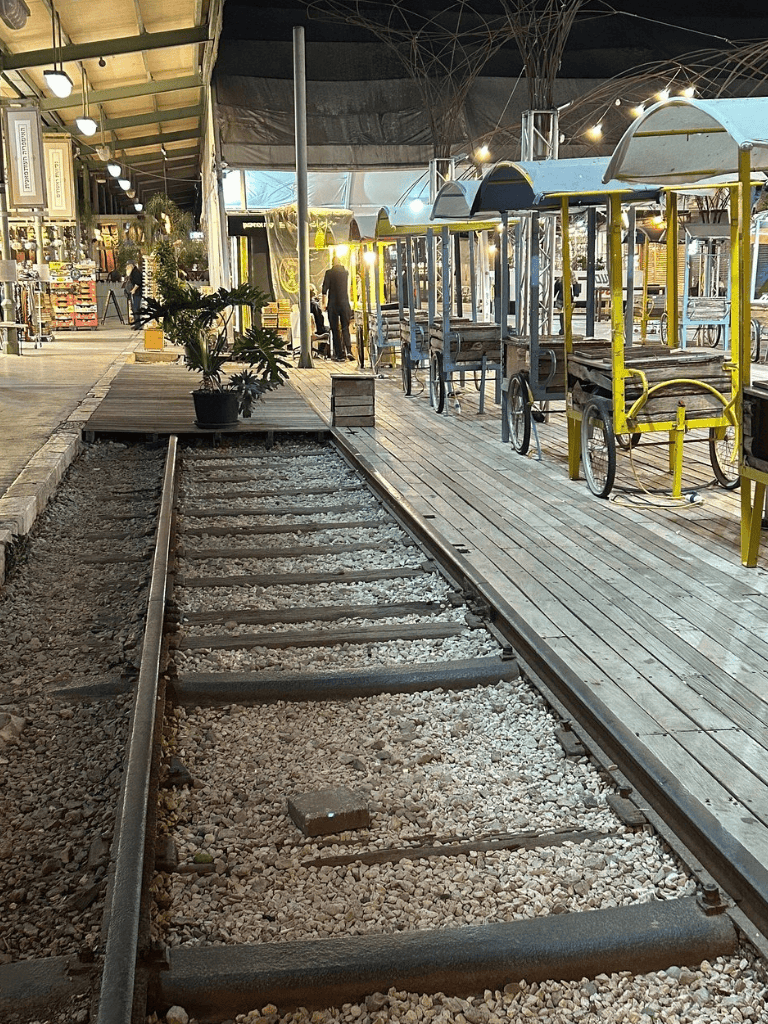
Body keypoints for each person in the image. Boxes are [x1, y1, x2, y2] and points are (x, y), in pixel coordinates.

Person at [322, 255, 353, 361]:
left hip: (333, 304)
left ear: (332, 263)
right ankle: (349, 350)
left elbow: (324, 289)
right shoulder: (346, 273)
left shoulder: (329, 273)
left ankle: (339, 355)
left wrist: (323, 304)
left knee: (335, 329)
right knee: (345, 328)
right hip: (345, 303)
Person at [125, 261, 143, 329]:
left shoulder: (136, 272)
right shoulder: (132, 272)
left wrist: (134, 290)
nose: (126, 268)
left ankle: (138, 325)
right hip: (135, 293)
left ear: (131, 266)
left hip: (137, 293)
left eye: (127, 266)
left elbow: (138, 282)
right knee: (134, 309)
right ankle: (136, 323)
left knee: (136, 309)